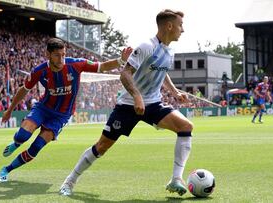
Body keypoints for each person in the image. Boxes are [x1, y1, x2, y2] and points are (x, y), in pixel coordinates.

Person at [59, 9, 193, 196]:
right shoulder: (146, 46)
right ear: (169, 26)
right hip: (128, 105)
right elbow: (125, 73)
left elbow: (162, 72)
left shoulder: (169, 51)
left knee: (185, 126)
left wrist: (175, 92)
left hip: (153, 104)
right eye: (180, 25)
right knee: (102, 147)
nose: (183, 30)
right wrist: (137, 96)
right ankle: (69, 181)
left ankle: (176, 179)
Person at [0, 38, 132, 182]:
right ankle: (16, 144)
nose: (61, 59)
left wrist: (121, 60)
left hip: (61, 116)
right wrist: (10, 109)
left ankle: (6, 169)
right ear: (48, 54)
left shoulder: (75, 64)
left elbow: (102, 66)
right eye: (57, 55)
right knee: (22, 136)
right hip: (43, 109)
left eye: (63, 54)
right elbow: (24, 90)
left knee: (36, 147)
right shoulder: (39, 71)